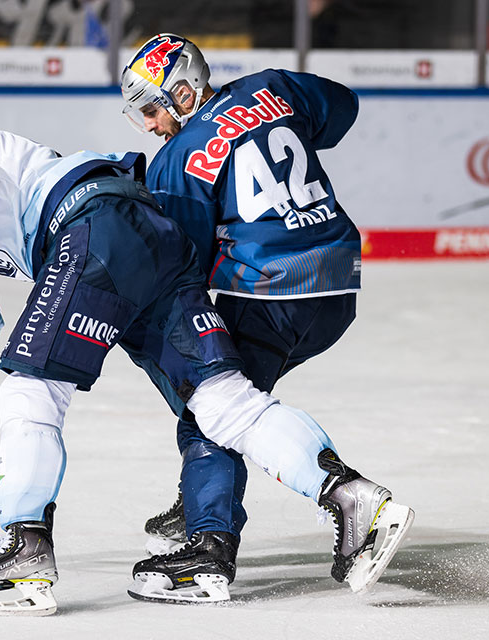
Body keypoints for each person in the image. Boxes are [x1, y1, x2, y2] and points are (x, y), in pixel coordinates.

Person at [0, 90, 414, 616]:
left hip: (93, 224)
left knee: (31, 388)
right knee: (219, 401)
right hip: (146, 241)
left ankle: (25, 552)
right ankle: (356, 502)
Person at [120, 33, 366, 600]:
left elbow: (185, 268)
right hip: (337, 282)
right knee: (235, 393)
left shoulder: (177, 160)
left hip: (270, 295)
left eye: (154, 109)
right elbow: (343, 108)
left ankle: (210, 544)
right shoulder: (275, 85)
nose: (153, 125)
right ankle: (204, 492)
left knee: (212, 406)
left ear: (183, 92)